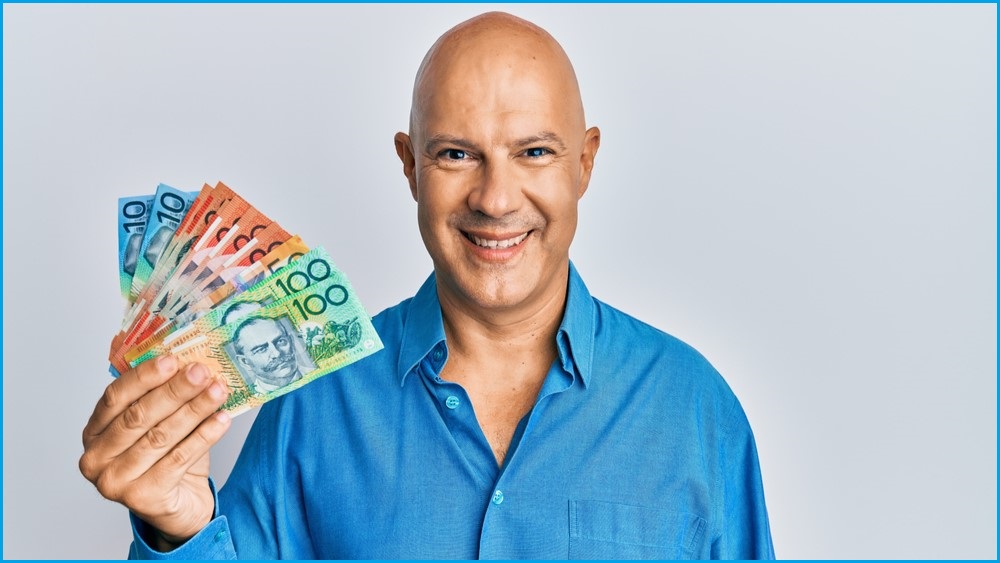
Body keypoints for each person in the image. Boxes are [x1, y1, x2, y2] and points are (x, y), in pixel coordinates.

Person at [80, 11, 774, 559]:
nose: (496, 198)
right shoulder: (315, 402)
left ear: (583, 164)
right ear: (410, 166)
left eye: (533, 152)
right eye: (455, 154)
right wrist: (177, 531)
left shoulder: (695, 410)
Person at [229, 316, 307, 393]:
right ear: (245, 362)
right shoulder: (251, 403)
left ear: (291, 341)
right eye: (261, 349)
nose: (277, 354)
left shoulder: (316, 374)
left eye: (280, 341)